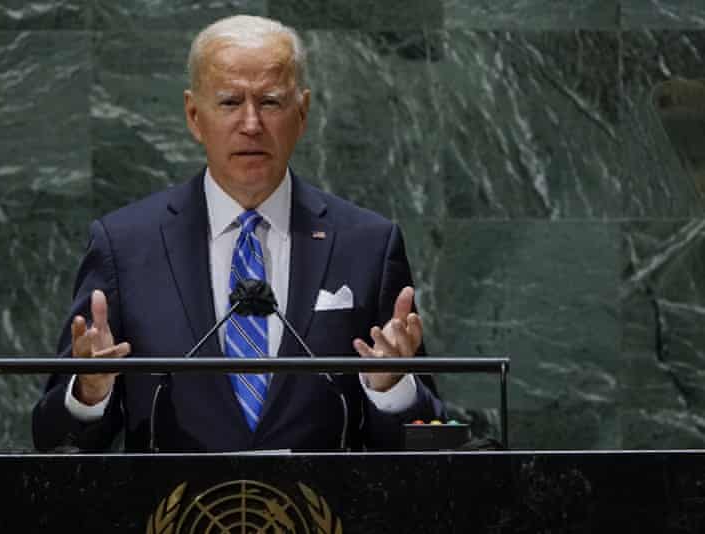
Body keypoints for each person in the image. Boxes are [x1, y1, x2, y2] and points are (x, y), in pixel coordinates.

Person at [32, 15, 445, 453]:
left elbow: (429, 438)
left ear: (302, 114)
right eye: (229, 102)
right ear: (194, 116)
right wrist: (90, 392)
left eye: (270, 102)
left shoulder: (368, 245)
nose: (251, 124)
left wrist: (392, 387)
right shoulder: (126, 245)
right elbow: (54, 442)